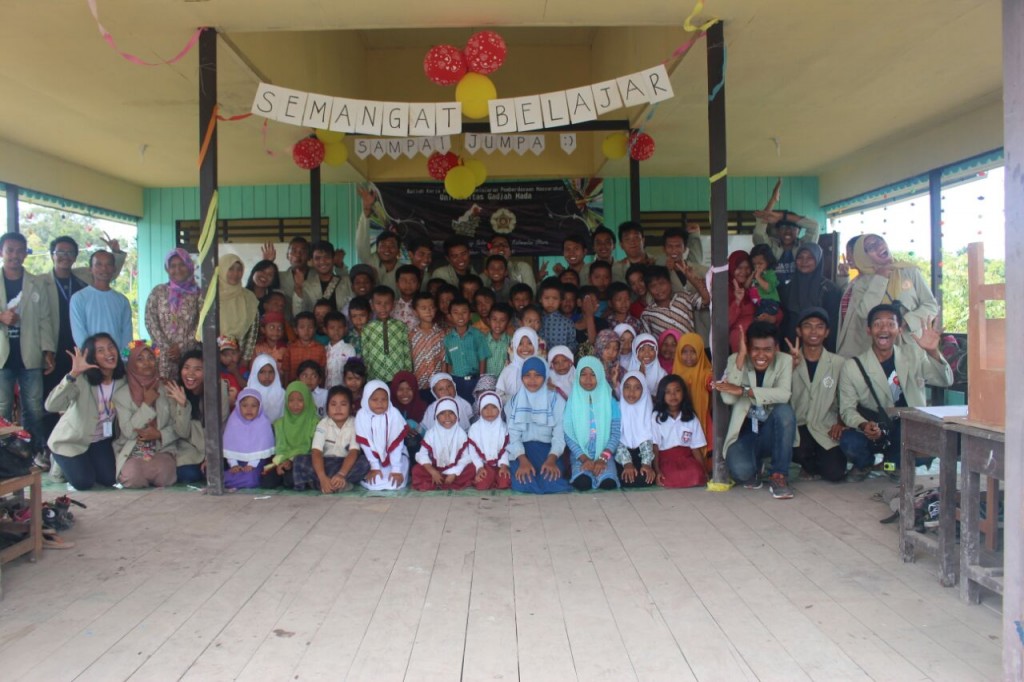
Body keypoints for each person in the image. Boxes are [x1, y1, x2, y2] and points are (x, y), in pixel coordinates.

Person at [838, 304, 952, 478]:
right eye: (878, 324)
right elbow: (847, 409)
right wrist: (864, 425)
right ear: (869, 330)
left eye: (891, 324)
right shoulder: (852, 366)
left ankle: (891, 465)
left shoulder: (914, 355)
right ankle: (865, 464)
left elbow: (945, 380)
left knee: (930, 442)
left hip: (905, 427)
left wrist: (933, 352)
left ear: (899, 329)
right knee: (849, 442)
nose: (884, 329)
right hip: (874, 427)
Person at [713, 321, 796, 499]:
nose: (761, 355)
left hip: (770, 431)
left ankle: (779, 476)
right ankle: (757, 467)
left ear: (776, 348)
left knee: (784, 412)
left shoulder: (785, 361)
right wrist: (741, 356)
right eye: (755, 349)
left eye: (767, 349)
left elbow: (783, 395)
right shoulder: (736, 360)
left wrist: (744, 391)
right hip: (746, 434)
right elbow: (727, 397)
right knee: (742, 473)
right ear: (748, 347)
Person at [836, 234, 939, 358]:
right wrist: (880, 278)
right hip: (876, 350)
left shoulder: (909, 271)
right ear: (864, 256)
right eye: (871, 246)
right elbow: (864, 312)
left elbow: (931, 305)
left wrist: (907, 320)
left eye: (880, 241)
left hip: (909, 345)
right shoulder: (861, 283)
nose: (879, 246)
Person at [0, 232, 56, 458]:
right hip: (2, 357)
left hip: (30, 356)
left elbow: (45, 319)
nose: (15, 255)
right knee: (1, 408)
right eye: (10, 250)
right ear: (1, 252)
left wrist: (48, 351)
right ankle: (3, 457)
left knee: (33, 408)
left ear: (25, 254)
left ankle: (33, 453)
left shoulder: (35, 283)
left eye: (19, 251)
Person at [45, 333, 125, 490]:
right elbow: (51, 405)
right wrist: (73, 374)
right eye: (101, 350)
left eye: (111, 347)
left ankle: (84, 462)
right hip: (71, 440)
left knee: (109, 479)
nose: (109, 353)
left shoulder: (122, 380)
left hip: (100, 440)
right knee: (84, 482)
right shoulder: (81, 379)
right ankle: (58, 461)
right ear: (93, 358)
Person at [112, 341, 187, 488]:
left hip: (161, 449)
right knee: (132, 478)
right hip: (133, 451)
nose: (147, 363)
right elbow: (128, 432)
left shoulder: (167, 389)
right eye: (140, 359)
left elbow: (179, 428)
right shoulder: (121, 395)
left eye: (151, 358)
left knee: (165, 476)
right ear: (132, 364)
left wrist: (159, 434)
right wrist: (146, 404)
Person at [786, 307, 848, 482]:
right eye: (807, 326)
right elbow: (777, 394)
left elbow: (846, 398)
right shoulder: (787, 361)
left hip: (826, 427)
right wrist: (790, 367)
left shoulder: (839, 363)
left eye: (819, 326)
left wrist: (841, 422)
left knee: (835, 473)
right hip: (799, 425)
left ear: (827, 332)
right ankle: (806, 464)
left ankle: (812, 465)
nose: (814, 331)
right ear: (799, 331)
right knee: (799, 451)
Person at [505, 357, 572, 494]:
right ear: (521, 378)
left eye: (538, 375)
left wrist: (552, 460)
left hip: (548, 451)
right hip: (522, 452)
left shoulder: (556, 401)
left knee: (551, 481)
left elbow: (559, 435)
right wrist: (522, 460)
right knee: (523, 483)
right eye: (527, 375)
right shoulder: (513, 403)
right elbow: (513, 436)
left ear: (545, 377)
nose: (532, 380)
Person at [292, 385, 369, 493]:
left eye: (343, 404)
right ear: (327, 408)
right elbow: (316, 451)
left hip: (345, 464)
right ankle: (330, 483)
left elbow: (353, 452)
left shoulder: (356, 423)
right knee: (299, 460)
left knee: (365, 462)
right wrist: (322, 476)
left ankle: (330, 483)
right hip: (325, 464)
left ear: (351, 407)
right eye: (333, 404)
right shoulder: (323, 424)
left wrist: (341, 474)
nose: (338, 408)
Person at [564, 357, 621, 491]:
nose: (588, 379)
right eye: (583, 374)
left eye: (593, 374)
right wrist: (584, 458)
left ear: (600, 376)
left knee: (608, 484)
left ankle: (604, 472)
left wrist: (603, 458)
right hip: (581, 454)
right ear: (577, 376)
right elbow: (568, 434)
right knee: (583, 483)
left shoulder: (609, 400)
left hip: (604, 453)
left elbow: (615, 433)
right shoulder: (573, 401)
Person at [144, 248, 201, 379]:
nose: (178, 269)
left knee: (187, 392)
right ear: (167, 269)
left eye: (182, 265)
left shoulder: (198, 294)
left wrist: (181, 348)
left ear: (189, 266)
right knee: (162, 393)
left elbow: (201, 325)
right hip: (163, 356)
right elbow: (150, 321)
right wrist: (168, 348)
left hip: (189, 357)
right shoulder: (158, 291)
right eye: (173, 266)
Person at [175, 349, 230, 484]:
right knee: (189, 475)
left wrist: (210, 456)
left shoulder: (218, 387)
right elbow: (182, 432)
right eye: (186, 368)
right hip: (190, 451)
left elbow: (220, 424)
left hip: (216, 447)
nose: (190, 374)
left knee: (220, 471)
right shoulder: (176, 391)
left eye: (198, 369)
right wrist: (182, 405)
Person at [752, 179, 820, 286]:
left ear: (798, 231)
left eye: (793, 228)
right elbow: (759, 233)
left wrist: (782, 216)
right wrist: (773, 201)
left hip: (797, 297)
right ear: (778, 231)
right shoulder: (771, 246)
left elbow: (815, 226)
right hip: (774, 297)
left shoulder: (805, 246)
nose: (788, 231)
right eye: (783, 227)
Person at [779, 243, 842, 353]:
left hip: (820, 347)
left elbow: (833, 324)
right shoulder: (786, 289)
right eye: (800, 257)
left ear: (818, 260)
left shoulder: (830, 289)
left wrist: (830, 352)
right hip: (791, 346)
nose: (804, 262)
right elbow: (783, 323)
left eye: (810, 258)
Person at [651, 375, 708, 488]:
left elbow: (695, 448)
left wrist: (704, 471)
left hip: (687, 458)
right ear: (662, 395)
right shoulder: (656, 417)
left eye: (677, 391)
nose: (673, 395)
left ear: (683, 393)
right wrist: (657, 471)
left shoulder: (691, 417)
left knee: (696, 474)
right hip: (666, 460)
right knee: (669, 477)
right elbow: (655, 447)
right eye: (668, 392)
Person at [70, 250, 133, 351]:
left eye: (109, 264)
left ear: (114, 269)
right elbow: (79, 334)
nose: (104, 268)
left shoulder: (122, 300)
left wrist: (124, 358)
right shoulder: (79, 298)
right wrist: (94, 356)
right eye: (99, 264)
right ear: (90, 269)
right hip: (91, 360)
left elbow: (127, 334)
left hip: (116, 360)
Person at [261, 381, 320, 488]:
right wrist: (282, 463)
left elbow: (312, 449)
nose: (295, 405)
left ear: (307, 400)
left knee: (291, 479)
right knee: (266, 482)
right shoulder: (280, 423)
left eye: (300, 400)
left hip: (303, 461)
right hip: (283, 460)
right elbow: (280, 447)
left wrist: (292, 460)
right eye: (291, 400)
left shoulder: (315, 422)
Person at [355, 380, 409, 491]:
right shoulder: (361, 415)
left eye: (384, 399)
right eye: (374, 400)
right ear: (366, 399)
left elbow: (397, 444)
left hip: (397, 457)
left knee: (394, 483)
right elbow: (365, 445)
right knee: (375, 483)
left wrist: (396, 469)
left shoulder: (394, 413)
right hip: (372, 459)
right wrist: (374, 467)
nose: (380, 403)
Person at [412, 397, 476, 491]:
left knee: (471, 469)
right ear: (436, 416)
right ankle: (441, 480)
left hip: (455, 468)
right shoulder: (431, 433)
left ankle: (443, 482)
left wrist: (454, 472)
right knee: (416, 470)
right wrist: (433, 471)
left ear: (457, 415)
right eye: (442, 413)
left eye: (451, 413)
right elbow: (422, 455)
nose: (447, 417)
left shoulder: (461, 434)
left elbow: (466, 457)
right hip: (435, 468)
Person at [672, 332, 714, 468]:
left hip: (701, 415)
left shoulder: (706, 372)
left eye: (693, 352)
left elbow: (711, 384)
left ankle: (705, 468)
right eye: (684, 352)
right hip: (681, 417)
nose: (688, 356)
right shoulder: (676, 372)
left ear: (700, 352)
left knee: (705, 443)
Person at [221, 388, 276, 489]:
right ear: (238, 406)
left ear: (260, 407)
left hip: (257, 463)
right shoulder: (233, 422)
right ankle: (230, 479)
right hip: (237, 463)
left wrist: (252, 464)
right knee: (216, 475)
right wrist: (233, 465)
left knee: (251, 480)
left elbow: (262, 449)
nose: (249, 409)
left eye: (254, 406)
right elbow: (229, 446)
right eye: (245, 405)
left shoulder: (263, 423)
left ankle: (227, 481)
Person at [639, 265, 709, 339]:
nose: (658, 289)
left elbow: (706, 300)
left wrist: (693, 279)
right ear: (648, 290)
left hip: (689, 349)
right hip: (667, 351)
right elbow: (647, 340)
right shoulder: (647, 314)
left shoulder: (684, 297)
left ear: (670, 283)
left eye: (662, 283)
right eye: (653, 286)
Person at [361, 286, 412, 383]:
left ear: (393, 305)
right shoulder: (367, 328)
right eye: (378, 303)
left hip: (398, 376)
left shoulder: (401, 326)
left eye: (387, 303)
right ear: (372, 305)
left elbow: (407, 351)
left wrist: (408, 373)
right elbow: (365, 354)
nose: (383, 307)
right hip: (375, 376)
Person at [443, 297, 490, 402]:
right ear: (450, 316)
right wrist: (450, 381)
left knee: (475, 407)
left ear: (470, 315)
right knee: (459, 407)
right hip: (456, 381)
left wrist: (481, 379)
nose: (460, 316)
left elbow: (482, 358)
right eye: (456, 313)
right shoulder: (448, 339)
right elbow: (448, 362)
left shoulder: (477, 335)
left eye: (464, 312)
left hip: (475, 379)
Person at [615, 371, 657, 488]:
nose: (631, 392)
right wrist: (627, 463)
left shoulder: (649, 412)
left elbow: (649, 438)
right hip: (621, 455)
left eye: (637, 388)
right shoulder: (616, 409)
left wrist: (646, 464)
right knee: (626, 479)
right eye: (627, 387)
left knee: (644, 479)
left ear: (644, 391)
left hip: (644, 454)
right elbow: (615, 438)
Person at [356, 186, 403, 291]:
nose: (387, 249)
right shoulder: (369, 260)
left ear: (398, 250)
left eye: (392, 246)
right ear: (377, 248)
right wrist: (367, 210)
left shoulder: (403, 271)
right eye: (383, 246)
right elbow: (361, 242)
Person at [217, 254, 260, 361]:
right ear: (222, 269)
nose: (235, 274)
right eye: (230, 269)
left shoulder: (249, 297)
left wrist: (245, 360)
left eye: (239, 269)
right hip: (213, 357)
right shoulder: (211, 297)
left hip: (240, 359)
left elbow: (252, 332)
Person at [467, 391, 511, 490]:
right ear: (479, 410)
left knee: (504, 482)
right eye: (485, 408)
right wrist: (479, 467)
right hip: (483, 464)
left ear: (500, 409)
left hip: (500, 464)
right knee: (482, 485)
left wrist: (504, 465)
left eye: (494, 407)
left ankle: (496, 477)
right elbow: (473, 452)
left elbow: (506, 449)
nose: (489, 411)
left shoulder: (504, 428)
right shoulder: (474, 429)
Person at [409, 292, 446, 400]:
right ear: (415, 312)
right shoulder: (411, 335)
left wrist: (442, 380)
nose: (428, 311)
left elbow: (444, 360)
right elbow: (409, 360)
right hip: (417, 384)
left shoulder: (441, 334)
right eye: (423, 308)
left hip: (437, 385)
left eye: (431, 307)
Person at [496, 327, 540, 404]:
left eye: (530, 343)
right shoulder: (508, 370)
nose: (525, 347)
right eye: (520, 343)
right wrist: (517, 400)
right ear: (515, 345)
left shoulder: (541, 369)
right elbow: (499, 396)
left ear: (535, 344)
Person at [727, 251, 757, 353]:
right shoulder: (725, 289)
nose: (744, 272)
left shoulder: (756, 286)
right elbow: (725, 322)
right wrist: (737, 301)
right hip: (740, 339)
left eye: (747, 267)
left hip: (759, 337)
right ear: (731, 268)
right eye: (739, 268)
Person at [287, 312, 326, 385]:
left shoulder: (320, 348)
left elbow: (322, 371)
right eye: (302, 327)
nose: (306, 331)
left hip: (314, 388)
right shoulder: (290, 348)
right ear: (295, 330)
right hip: (295, 388)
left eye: (310, 327)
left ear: (315, 329)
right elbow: (286, 371)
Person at [538, 278, 577, 352]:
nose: (550, 302)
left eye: (555, 298)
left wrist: (563, 353)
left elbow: (573, 344)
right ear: (540, 299)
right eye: (547, 298)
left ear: (561, 301)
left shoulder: (567, 323)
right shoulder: (536, 320)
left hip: (560, 362)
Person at [277, 237, 311, 318]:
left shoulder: (318, 276)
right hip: (286, 325)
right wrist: (267, 262)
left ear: (309, 256)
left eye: (302, 251)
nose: (298, 255)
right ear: (287, 256)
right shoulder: (279, 277)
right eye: (294, 251)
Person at [246, 353, 286, 422]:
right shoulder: (247, 395)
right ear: (255, 372)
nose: (267, 376)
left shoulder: (282, 394)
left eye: (271, 372)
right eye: (262, 372)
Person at [748, 244, 782, 320]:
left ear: (768, 261)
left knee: (760, 318)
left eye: (760, 263)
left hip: (770, 302)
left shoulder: (770, 273)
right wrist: (752, 275)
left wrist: (758, 277)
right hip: (759, 302)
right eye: (754, 264)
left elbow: (768, 288)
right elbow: (746, 286)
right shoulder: (756, 273)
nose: (757, 267)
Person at [323, 311, 356, 389]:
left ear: (345, 329)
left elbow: (352, 371)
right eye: (332, 328)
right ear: (325, 330)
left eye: (340, 327)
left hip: (343, 389)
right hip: (326, 389)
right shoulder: (324, 350)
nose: (336, 331)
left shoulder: (349, 349)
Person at [483, 302, 512, 377]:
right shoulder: (482, 341)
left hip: (504, 384)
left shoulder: (511, 342)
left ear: (508, 323)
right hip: (486, 384)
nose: (498, 324)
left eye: (502, 320)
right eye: (494, 319)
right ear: (488, 321)